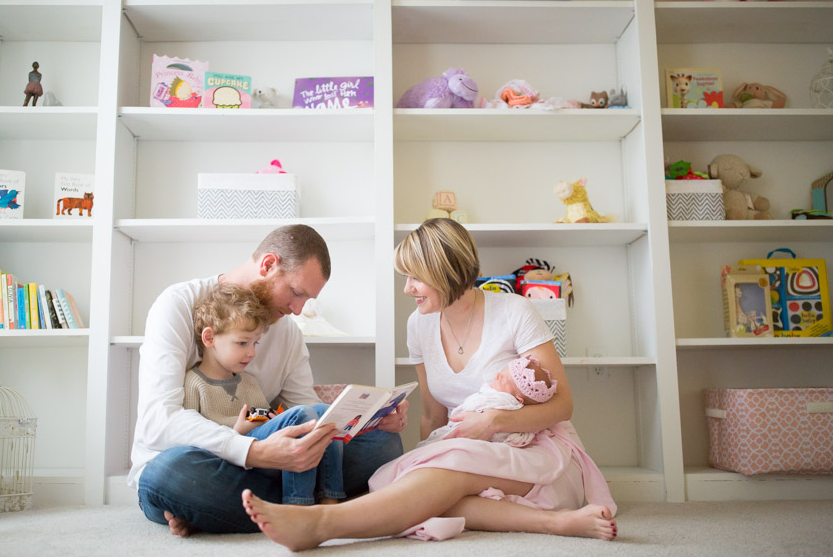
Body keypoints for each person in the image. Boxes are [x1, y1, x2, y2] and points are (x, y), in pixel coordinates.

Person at [240, 218, 617, 551]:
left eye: (414, 277)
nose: (407, 289)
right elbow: (435, 414)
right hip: (469, 449)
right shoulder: (418, 325)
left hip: (538, 450)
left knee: (436, 481)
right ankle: (559, 524)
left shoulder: (515, 312)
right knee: (403, 482)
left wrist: (491, 423)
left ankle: (319, 526)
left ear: (446, 272)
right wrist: (422, 463)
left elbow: (563, 405)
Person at [131, 224, 406, 536]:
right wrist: (253, 451)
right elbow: (158, 420)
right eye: (296, 292)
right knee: (168, 473)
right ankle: (303, 507)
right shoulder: (178, 305)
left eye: (307, 300)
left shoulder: (288, 333)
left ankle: (227, 510)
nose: (298, 310)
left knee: (384, 445)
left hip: (275, 467)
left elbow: (309, 413)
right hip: (204, 462)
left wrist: (369, 421)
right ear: (268, 265)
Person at [184, 283, 344, 505]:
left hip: (265, 447)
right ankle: (298, 504)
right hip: (228, 453)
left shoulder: (248, 382)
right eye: (242, 343)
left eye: (255, 343)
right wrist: (235, 431)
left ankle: (330, 499)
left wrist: (272, 416)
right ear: (209, 339)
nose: (252, 352)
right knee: (303, 416)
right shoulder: (194, 383)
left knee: (324, 413)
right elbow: (189, 442)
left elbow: (265, 416)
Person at [419, 356, 556, 448]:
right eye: (501, 373)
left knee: (437, 444)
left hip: (473, 435)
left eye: (503, 379)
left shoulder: (504, 402)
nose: (497, 375)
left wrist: (461, 412)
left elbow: (473, 405)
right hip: (469, 433)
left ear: (518, 399)